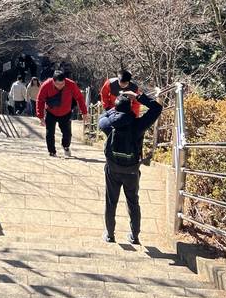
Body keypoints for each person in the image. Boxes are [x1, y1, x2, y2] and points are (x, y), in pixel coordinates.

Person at [98, 86, 162, 244]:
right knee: (133, 202)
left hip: (112, 168)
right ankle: (134, 236)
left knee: (111, 201)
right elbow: (157, 108)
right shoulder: (139, 125)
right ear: (130, 108)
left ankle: (110, 235)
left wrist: (114, 108)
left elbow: (102, 117)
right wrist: (138, 97)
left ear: (116, 109)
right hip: (132, 170)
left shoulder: (108, 125)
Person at [36, 63, 88, 158]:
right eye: (58, 84)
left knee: (67, 134)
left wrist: (84, 112)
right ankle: (52, 152)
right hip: (51, 112)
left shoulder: (71, 84)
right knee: (50, 133)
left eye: (62, 83)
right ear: (53, 81)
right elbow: (40, 99)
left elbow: (79, 98)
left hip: (66, 112)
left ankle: (66, 146)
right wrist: (40, 116)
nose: (60, 86)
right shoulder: (46, 85)